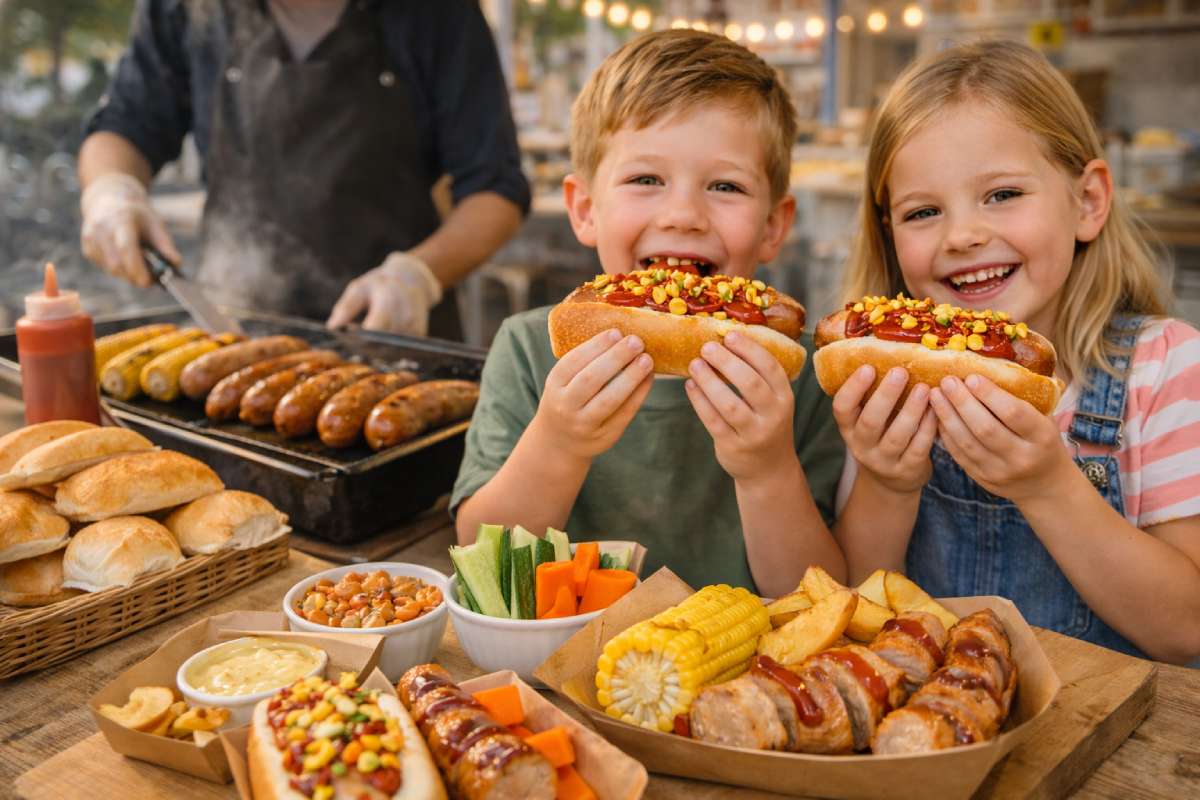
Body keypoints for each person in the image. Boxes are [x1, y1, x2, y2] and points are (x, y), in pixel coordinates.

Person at [831, 40, 1200, 664]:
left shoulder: (1166, 368)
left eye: (1002, 194)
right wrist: (887, 483)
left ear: (1087, 202)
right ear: (889, 237)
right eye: (923, 211)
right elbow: (854, 602)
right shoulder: (884, 381)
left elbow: (1186, 628)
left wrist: (1050, 487)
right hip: (937, 735)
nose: (964, 235)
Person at [451, 30, 845, 597]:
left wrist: (766, 469)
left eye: (725, 186)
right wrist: (560, 443)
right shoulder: (528, 347)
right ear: (585, 210)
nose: (683, 214)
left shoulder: (808, 371)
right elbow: (480, 561)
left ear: (774, 227)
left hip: (751, 673)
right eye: (645, 180)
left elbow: (817, 595)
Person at [78, 0, 529, 338]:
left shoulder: (437, 13)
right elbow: (124, 126)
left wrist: (415, 277)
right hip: (231, 322)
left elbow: (496, 190)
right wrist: (110, 193)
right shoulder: (188, 8)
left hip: (395, 334)